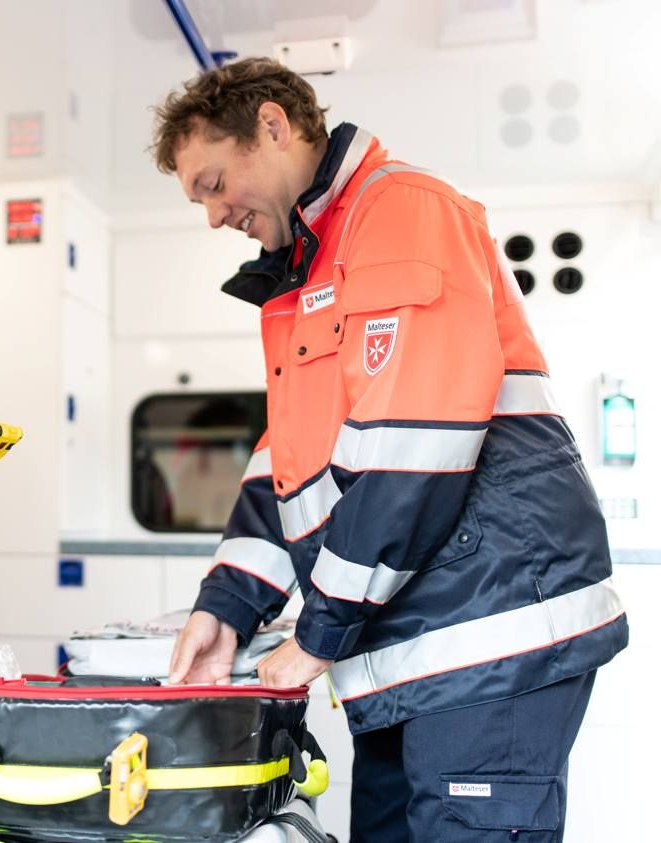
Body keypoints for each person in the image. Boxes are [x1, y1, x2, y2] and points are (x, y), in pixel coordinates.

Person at [154, 58, 628, 841]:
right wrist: (227, 606)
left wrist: (318, 630)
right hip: (407, 651)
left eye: (212, 183)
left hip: (485, 642)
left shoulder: (399, 211)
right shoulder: (312, 274)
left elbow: (415, 442)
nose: (211, 217)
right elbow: (295, 462)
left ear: (271, 126)